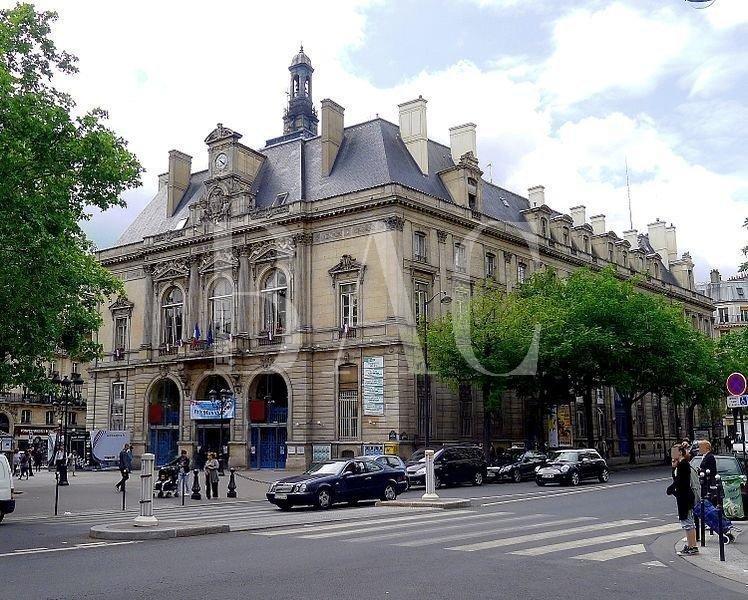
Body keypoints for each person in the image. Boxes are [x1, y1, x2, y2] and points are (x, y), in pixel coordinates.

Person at [667, 445, 698, 556]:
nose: (672, 454)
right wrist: (673, 467)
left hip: (685, 496)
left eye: (674, 451)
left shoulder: (683, 464)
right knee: (686, 521)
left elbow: (681, 481)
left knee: (688, 522)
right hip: (682, 496)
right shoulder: (680, 464)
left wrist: (671, 488)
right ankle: (691, 545)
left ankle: (692, 546)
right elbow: (677, 479)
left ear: (680, 452)